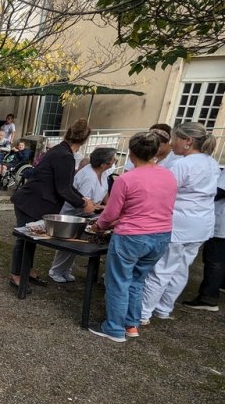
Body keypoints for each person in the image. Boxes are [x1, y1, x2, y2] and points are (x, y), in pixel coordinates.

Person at [87, 132, 178, 342]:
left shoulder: (126, 179)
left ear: (131, 152)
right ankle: (131, 325)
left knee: (118, 281)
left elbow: (110, 213)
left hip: (132, 236)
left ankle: (114, 329)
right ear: (155, 152)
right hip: (161, 235)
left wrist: (99, 226)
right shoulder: (168, 175)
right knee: (138, 281)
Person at [140, 122, 220, 324]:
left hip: (180, 223)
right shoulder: (210, 162)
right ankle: (164, 308)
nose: (173, 143)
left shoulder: (183, 165)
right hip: (201, 224)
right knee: (181, 268)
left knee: (162, 269)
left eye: (176, 138)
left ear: (188, 141)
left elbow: (163, 192)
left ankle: (143, 312)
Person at [9, 119, 98, 290]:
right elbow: (63, 189)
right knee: (24, 239)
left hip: (35, 201)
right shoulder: (64, 156)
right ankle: (16, 274)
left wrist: (84, 200)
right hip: (31, 202)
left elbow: (66, 184)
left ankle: (27, 269)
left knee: (31, 240)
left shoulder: (61, 150)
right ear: (85, 140)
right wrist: (83, 204)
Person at [49, 147, 117, 283]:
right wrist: (102, 208)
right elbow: (84, 203)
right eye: (113, 160)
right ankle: (56, 270)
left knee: (76, 243)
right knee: (68, 243)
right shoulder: (88, 177)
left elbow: (104, 192)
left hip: (88, 212)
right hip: (74, 212)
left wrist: (109, 205)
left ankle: (65, 270)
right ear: (104, 164)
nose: (115, 161)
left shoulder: (103, 172)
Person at [181, 166, 225, 312]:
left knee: (214, 259)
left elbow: (219, 191)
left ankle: (208, 297)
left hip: (221, 222)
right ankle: (220, 284)